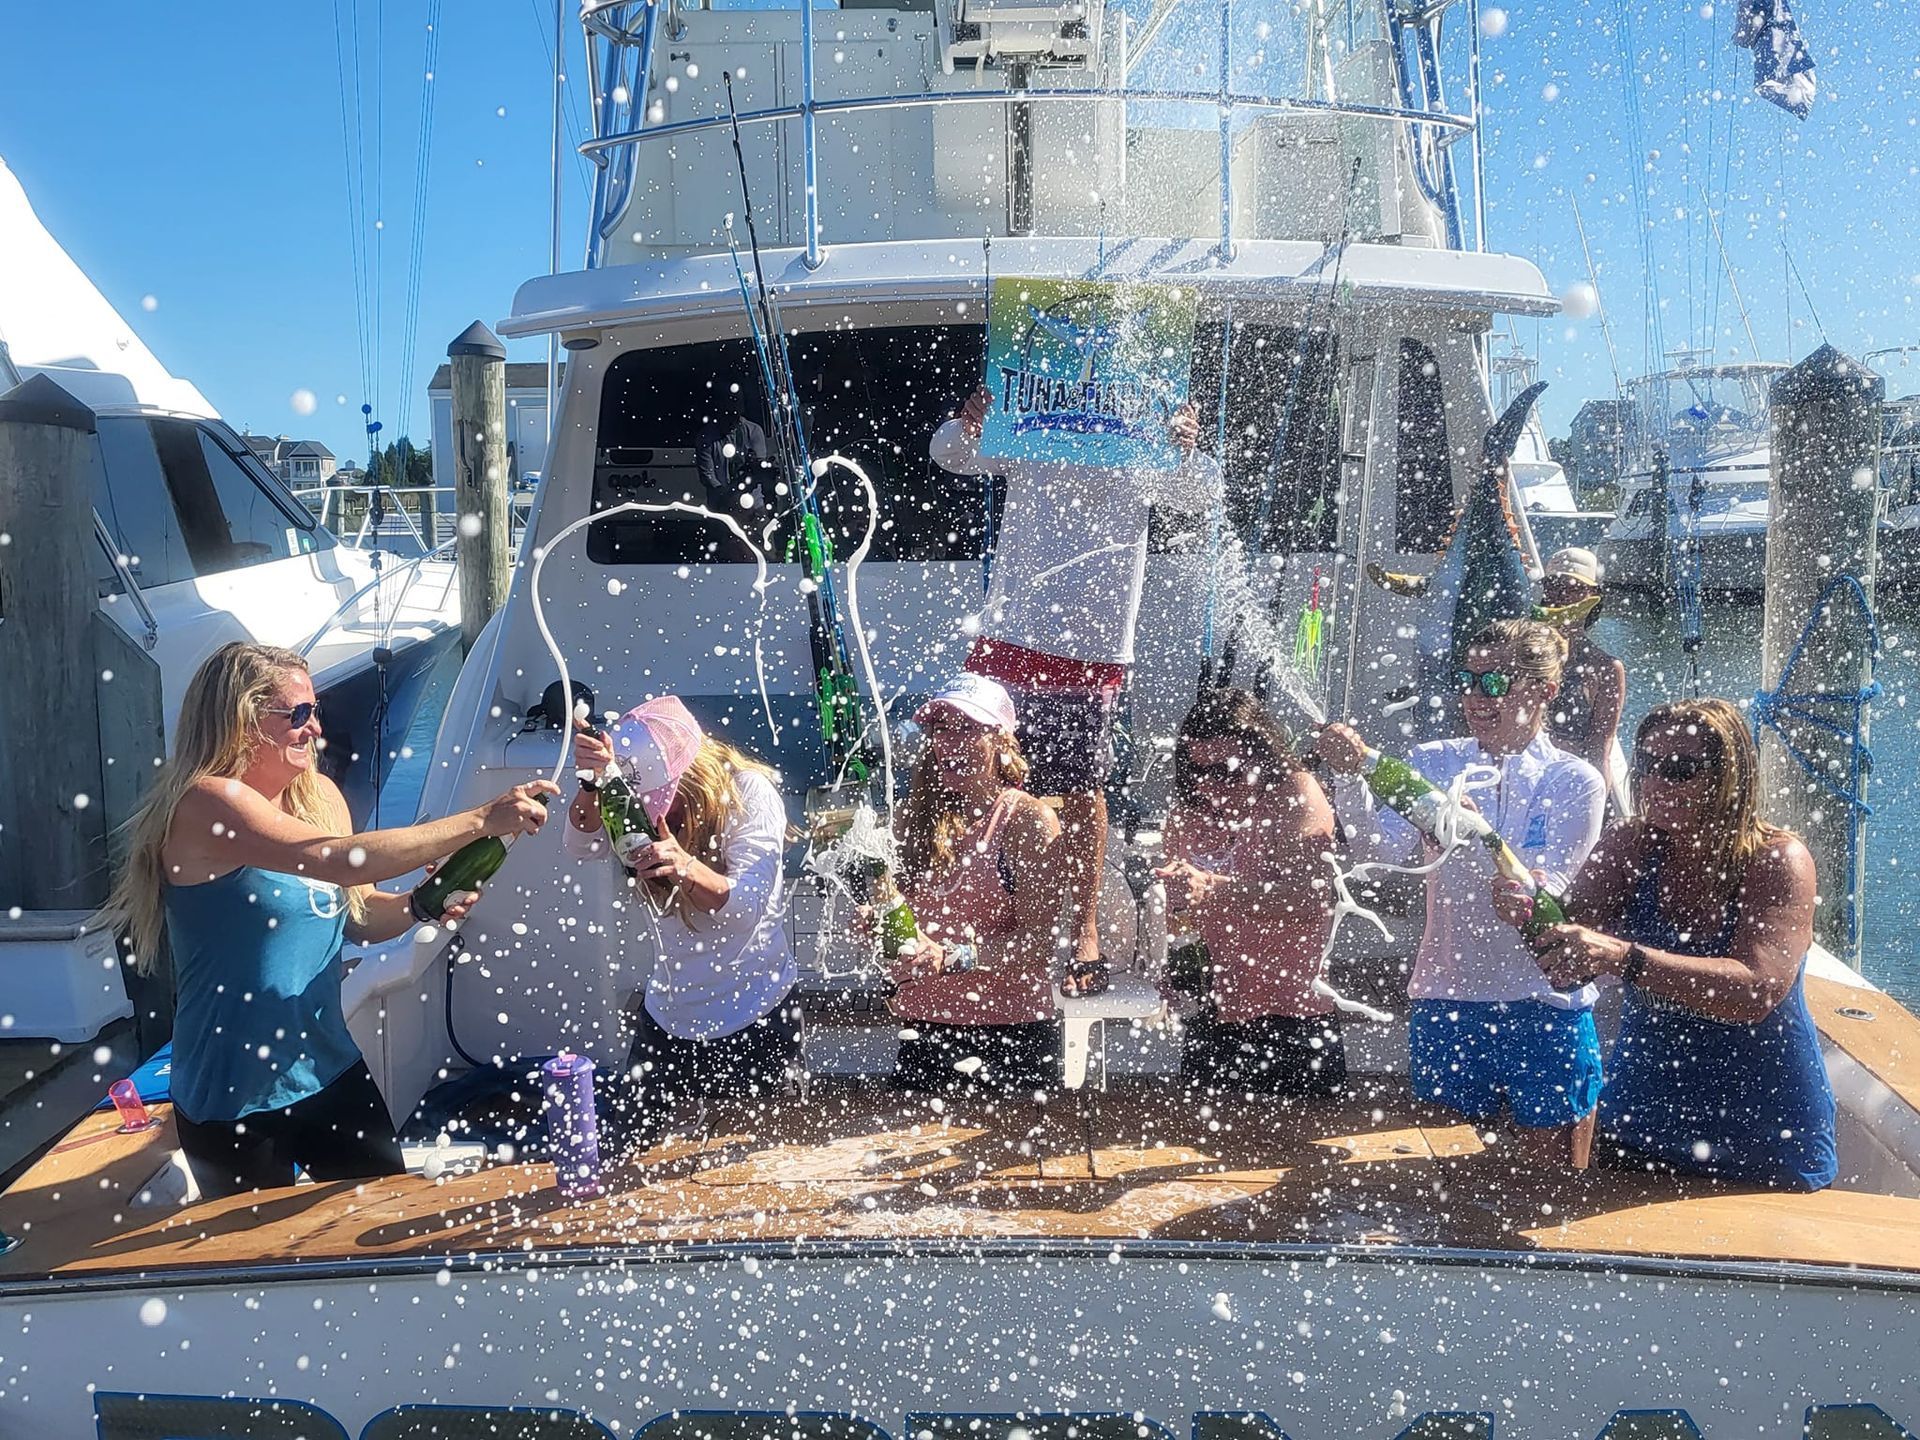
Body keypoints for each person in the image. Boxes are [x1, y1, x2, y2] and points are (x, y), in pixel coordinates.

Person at [96, 642, 557, 1199]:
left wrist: (417, 904)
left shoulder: (318, 799)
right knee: (257, 1263)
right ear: (242, 722)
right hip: (232, 1093)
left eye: (316, 712)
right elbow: (337, 859)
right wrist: (483, 818)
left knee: (379, 1219)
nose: (315, 729)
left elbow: (360, 918)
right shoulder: (208, 804)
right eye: (298, 714)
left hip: (326, 1068)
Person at [931, 385, 1222, 984]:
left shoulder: (1150, 425)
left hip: (1095, 647)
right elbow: (949, 456)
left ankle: (1085, 928)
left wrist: (1187, 450)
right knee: (976, 771)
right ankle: (976, 908)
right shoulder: (1030, 412)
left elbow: (1202, 494)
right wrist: (970, 420)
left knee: (1081, 790)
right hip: (1009, 632)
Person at [1490, 698, 1838, 1191]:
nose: (1656, 784)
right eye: (1649, 766)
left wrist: (1622, 957)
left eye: (1679, 770)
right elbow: (1564, 966)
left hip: (1763, 1129)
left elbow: (1755, 994)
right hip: (1642, 1115)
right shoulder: (1628, 844)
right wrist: (1526, 910)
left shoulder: (1778, 860)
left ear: (1730, 779)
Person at [1316, 618, 1608, 1168]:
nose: (1475, 696)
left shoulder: (1576, 780)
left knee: (1546, 1179)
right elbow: (1377, 849)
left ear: (1544, 691)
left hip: (1544, 1001)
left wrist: (1475, 837)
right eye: (1466, 679)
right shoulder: (1432, 761)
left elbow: (1548, 889)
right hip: (1447, 994)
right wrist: (1351, 775)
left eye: (1495, 682)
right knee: (1444, 1180)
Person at [567, 697, 798, 1146]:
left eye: (666, 802)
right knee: (628, 1160)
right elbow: (581, 846)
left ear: (693, 775)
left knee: (763, 1173)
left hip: (758, 1016)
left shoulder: (750, 793)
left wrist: (685, 866)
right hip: (668, 1018)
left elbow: (744, 910)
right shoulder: (626, 797)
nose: (657, 817)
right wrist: (593, 782)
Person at [1157, 688, 1344, 1099]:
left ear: (1264, 755)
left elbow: (1309, 899)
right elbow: (1175, 916)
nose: (1209, 784)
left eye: (1225, 769)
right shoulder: (1186, 813)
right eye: (1196, 770)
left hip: (1291, 1020)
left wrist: (1212, 889)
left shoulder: (1295, 793)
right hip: (1211, 1014)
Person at [886, 674, 1065, 1094]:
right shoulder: (910, 817)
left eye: (968, 729)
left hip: (1010, 1032)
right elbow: (899, 923)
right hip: (922, 1027)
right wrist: (877, 924)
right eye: (942, 730)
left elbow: (1040, 945)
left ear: (1002, 741)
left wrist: (953, 957)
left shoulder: (1028, 820)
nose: (952, 742)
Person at [1538, 547, 1629, 811]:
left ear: (1593, 595)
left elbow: (1600, 746)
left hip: (1570, 781)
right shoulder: (1521, 651)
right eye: (1553, 585)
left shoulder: (1605, 667)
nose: (1560, 595)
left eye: (1573, 587)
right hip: (1525, 775)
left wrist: (1597, 806)